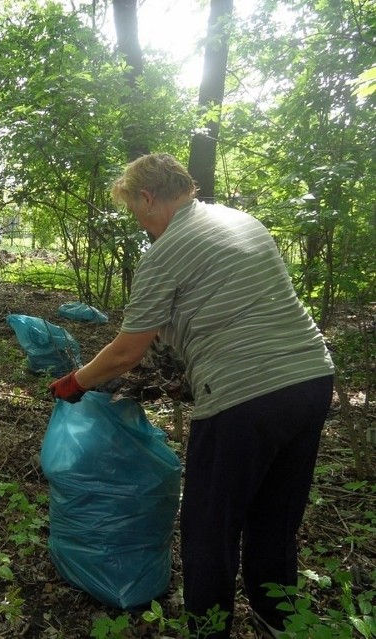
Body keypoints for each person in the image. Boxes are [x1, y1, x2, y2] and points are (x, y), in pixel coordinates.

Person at [49, 153, 334, 638]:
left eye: (138, 213)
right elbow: (226, 311)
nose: (143, 225)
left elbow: (125, 352)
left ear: (147, 196)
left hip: (243, 395)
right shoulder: (240, 221)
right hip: (310, 380)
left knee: (209, 526)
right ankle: (279, 622)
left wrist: (76, 382)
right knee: (275, 516)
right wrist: (186, 375)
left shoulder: (169, 248)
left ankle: (208, 629)